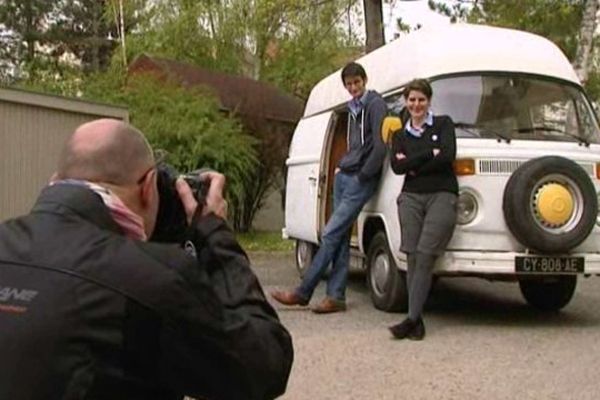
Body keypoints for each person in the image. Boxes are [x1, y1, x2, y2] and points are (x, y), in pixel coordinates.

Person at [0, 119, 293, 399]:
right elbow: (265, 367)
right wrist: (215, 235)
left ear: (56, 181)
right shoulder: (153, 275)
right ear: (148, 185)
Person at [271, 62, 387, 314]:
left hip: (360, 178)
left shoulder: (375, 105)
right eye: (349, 84)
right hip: (344, 175)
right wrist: (341, 169)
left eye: (357, 82)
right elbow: (355, 145)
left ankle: (303, 292)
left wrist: (364, 174)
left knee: (331, 233)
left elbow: (380, 145)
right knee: (341, 236)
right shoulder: (352, 108)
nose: (354, 87)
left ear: (364, 81)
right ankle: (336, 297)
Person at [388, 79, 458, 340]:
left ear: (429, 101)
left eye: (421, 99)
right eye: (412, 100)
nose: (416, 104)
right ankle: (415, 321)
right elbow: (397, 167)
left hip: (442, 194)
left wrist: (413, 162)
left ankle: (411, 319)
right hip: (411, 197)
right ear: (406, 102)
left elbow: (448, 156)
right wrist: (430, 153)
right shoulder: (399, 135)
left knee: (426, 254)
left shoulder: (443, 124)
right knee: (413, 256)